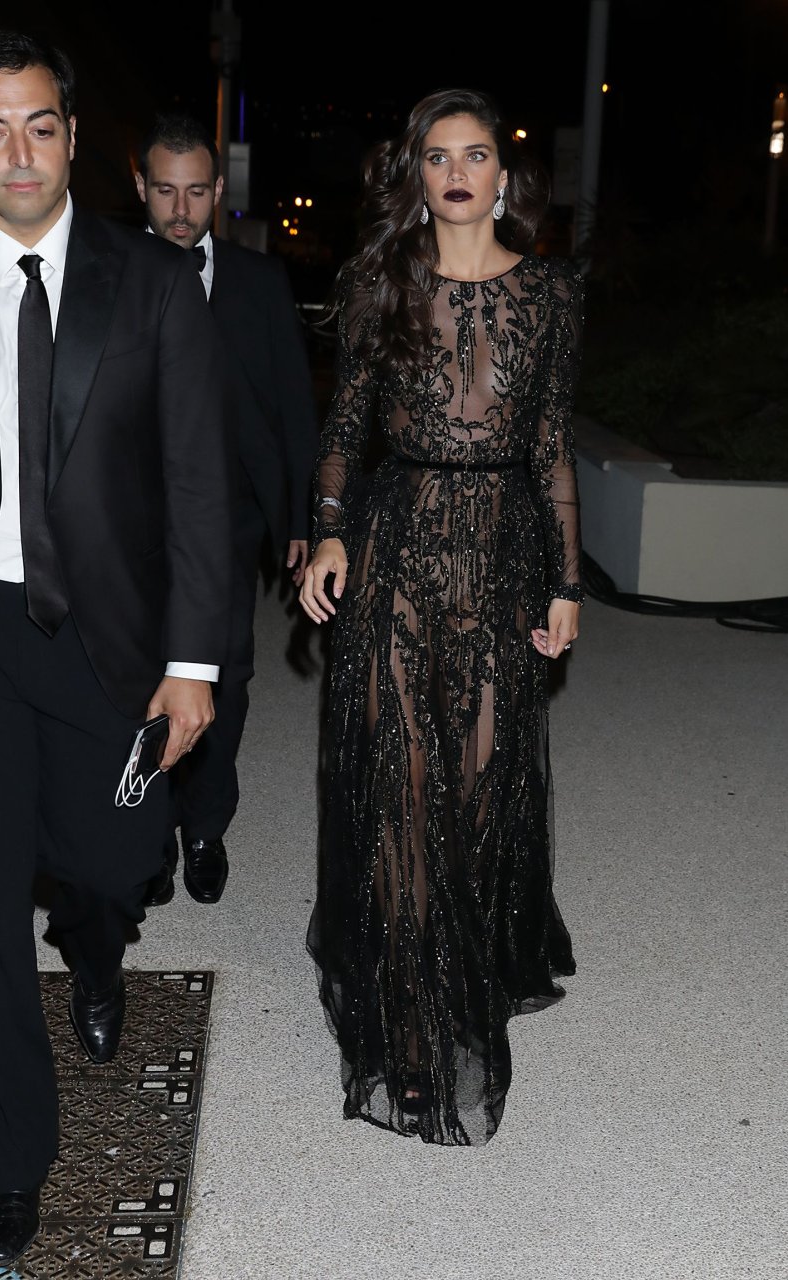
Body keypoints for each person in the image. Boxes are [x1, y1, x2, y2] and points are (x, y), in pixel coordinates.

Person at [0, 30, 232, 1266]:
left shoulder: (150, 281)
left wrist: (194, 660)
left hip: (106, 637)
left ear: (71, 135)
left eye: (41, 126)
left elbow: (197, 478)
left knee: (112, 852)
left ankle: (97, 938)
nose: (19, 153)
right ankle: (2, 1158)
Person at [299, 87, 584, 1146]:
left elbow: (549, 441)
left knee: (476, 786)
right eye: (436, 156)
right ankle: (416, 1036)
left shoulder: (548, 292)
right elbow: (345, 423)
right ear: (414, 175)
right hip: (397, 543)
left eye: (475, 155)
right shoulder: (378, 279)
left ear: (503, 175)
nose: (457, 173)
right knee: (402, 784)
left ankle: (470, 971)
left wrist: (565, 582)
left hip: (501, 555)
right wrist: (329, 530)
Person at [134, 112, 319, 907]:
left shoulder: (259, 281)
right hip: (130, 518)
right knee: (134, 677)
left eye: (196, 192)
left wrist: (305, 521)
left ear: (218, 191)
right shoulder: (106, 275)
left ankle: (204, 828)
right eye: (165, 191)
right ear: (140, 188)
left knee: (225, 676)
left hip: (232, 514)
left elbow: (293, 405)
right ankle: (145, 836)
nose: (181, 210)